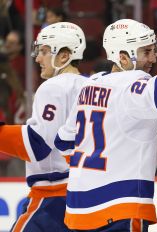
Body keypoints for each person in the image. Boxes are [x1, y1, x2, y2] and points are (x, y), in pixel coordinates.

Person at [54, 9, 157, 231]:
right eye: (146, 52)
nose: (153, 58)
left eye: (154, 49)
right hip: (119, 206)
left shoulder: (89, 85)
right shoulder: (132, 82)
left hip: (77, 209)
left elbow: (63, 141)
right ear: (122, 57)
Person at [0, 22, 87, 231]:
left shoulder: (54, 87)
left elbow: (37, 143)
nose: (38, 58)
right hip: (84, 198)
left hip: (53, 200)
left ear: (64, 55)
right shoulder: (92, 87)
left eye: (45, 51)